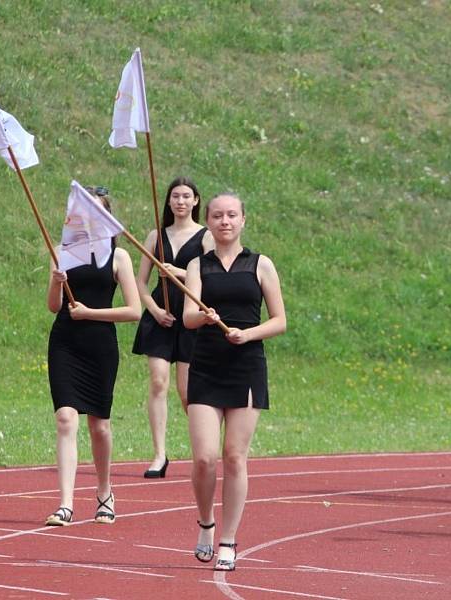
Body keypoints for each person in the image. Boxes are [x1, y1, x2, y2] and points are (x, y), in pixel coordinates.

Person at [182, 193, 286, 571]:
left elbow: (280, 320)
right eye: (217, 215)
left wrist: (250, 333)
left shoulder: (261, 264)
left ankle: (228, 540)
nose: (225, 221)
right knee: (205, 458)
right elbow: (187, 317)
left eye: (231, 215)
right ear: (207, 221)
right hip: (206, 366)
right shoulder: (198, 266)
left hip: (246, 366)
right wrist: (205, 317)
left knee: (234, 457)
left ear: (243, 219)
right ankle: (206, 522)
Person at [45, 186, 141, 526]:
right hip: (65, 342)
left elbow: (134, 310)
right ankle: (66, 504)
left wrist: (91, 313)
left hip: (100, 344)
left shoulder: (119, 257)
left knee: (99, 425)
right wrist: (57, 282)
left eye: (98, 213)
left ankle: (104, 492)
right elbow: (54, 306)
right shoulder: (63, 251)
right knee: (65, 418)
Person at [132, 177, 213, 478]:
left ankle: (201, 451)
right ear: (168, 202)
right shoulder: (155, 235)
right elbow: (140, 281)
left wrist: (177, 271)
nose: (180, 201)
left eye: (186, 196)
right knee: (158, 381)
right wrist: (153, 310)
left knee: (187, 391)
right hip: (160, 314)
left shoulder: (206, 237)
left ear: (195, 201)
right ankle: (159, 454)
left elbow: (210, 275)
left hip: (190, 315)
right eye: (175, 196)